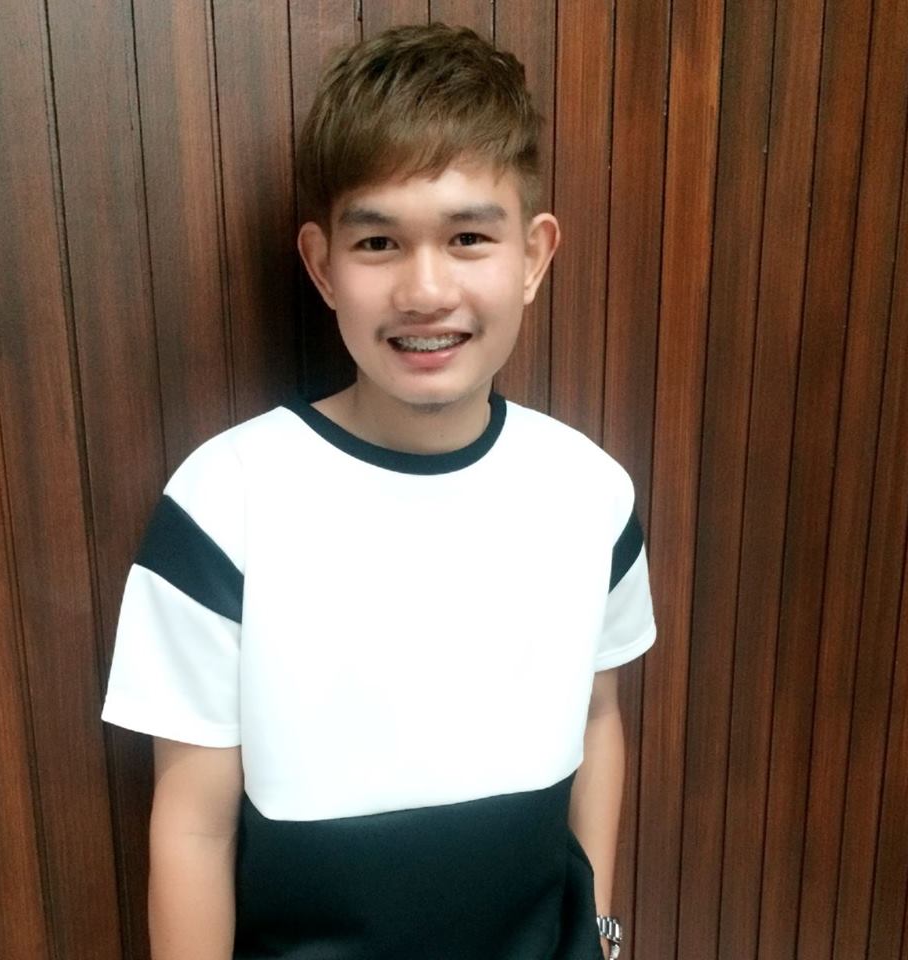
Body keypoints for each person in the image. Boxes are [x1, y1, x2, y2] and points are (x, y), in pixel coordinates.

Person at [102, 22, 655, 960]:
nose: (425, 289)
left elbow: (598, 720)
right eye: (379, 242)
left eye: (469, 236)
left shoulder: (590, 490)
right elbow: (193, 825)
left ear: (533, 255)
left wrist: (599, 928)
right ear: (322, 265)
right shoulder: (223, 504)